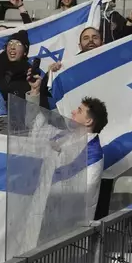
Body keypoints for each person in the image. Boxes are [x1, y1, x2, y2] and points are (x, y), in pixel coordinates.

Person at [26, 73, 109, 220]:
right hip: (47, 213)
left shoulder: (93, 154)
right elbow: (34, 130)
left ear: (89, 121)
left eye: (79, 110)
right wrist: (36, 92)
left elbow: (83, 188)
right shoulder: (65, 136)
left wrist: (45, 183)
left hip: (71, 224)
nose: (73, 112)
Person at [0, 30, 43, 104]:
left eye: (18, 44)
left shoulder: (29, 74)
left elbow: (33, 112)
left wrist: (34, 91)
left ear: (25, 52)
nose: (12, 47)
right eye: (10, 43)